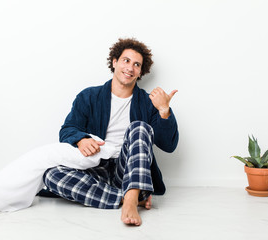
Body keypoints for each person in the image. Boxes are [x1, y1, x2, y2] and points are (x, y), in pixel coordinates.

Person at [41, 38, 179, 226]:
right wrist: (82, 139)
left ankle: (130, 200)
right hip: (95, 166)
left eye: (137, 64)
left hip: (129, 168)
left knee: (139, 127)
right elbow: (67, 129)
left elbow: (168, 145)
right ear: (114, 62)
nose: (130, 68)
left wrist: (164, 111)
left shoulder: (149, 103)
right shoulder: (88, 96)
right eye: (126, 60)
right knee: (51, 175)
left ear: (140, 72)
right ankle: (129, 196)